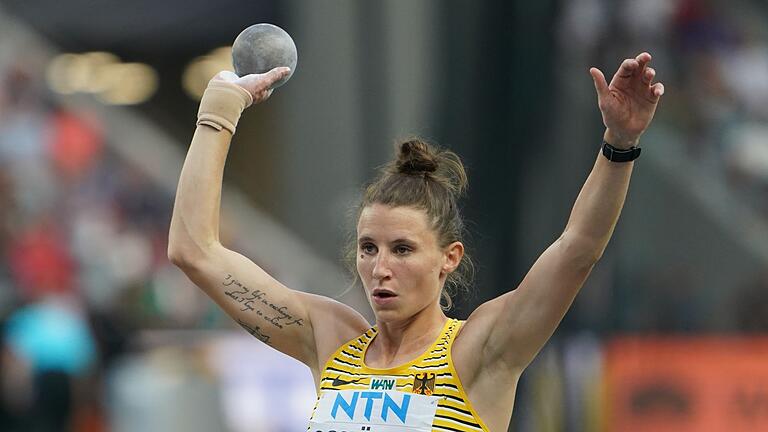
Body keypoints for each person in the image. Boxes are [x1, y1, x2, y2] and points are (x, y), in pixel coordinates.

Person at [168, 51, 664, 431]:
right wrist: (218, 113)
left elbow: (577, 249)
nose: (380, 267)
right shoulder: (331, 339)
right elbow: (194, 252)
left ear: (449, 258)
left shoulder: (480, 349)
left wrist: (619, 146)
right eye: (369, 248)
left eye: (402, 249)